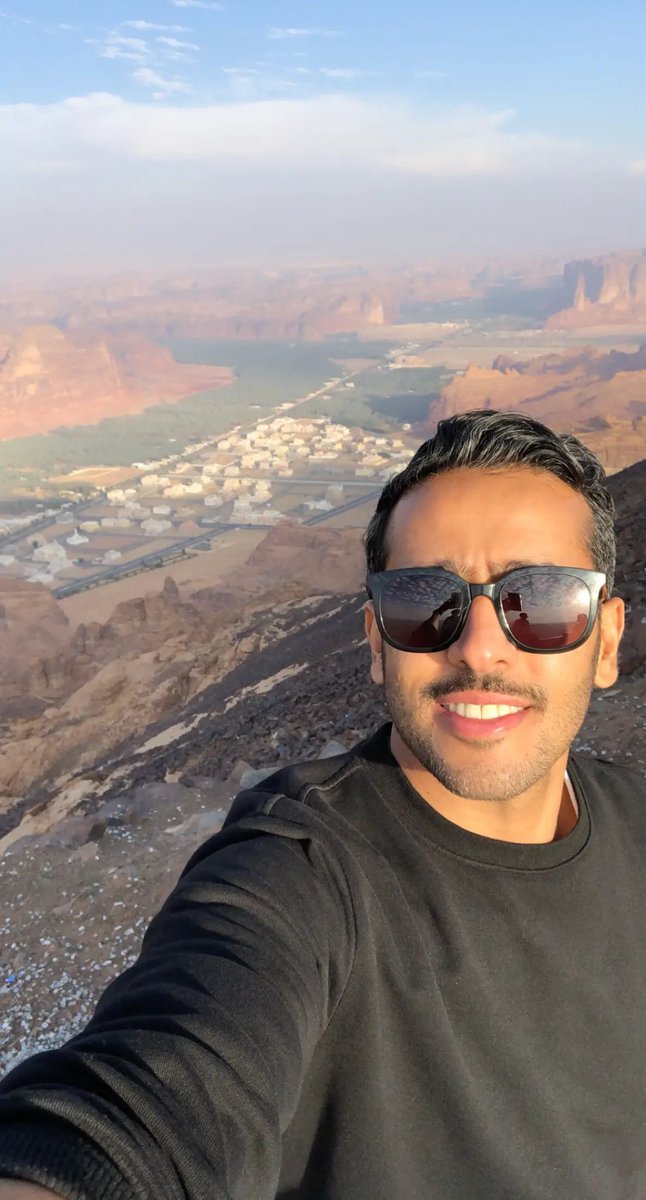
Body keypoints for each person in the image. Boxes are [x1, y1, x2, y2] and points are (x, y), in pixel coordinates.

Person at [0, 407, 642, 1200]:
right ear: (375, 641)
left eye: (540, 599)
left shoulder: (637, 824)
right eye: (424, 601)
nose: (478, 648)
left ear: (606, 640)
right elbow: (152, 1101)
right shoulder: (300, 868)